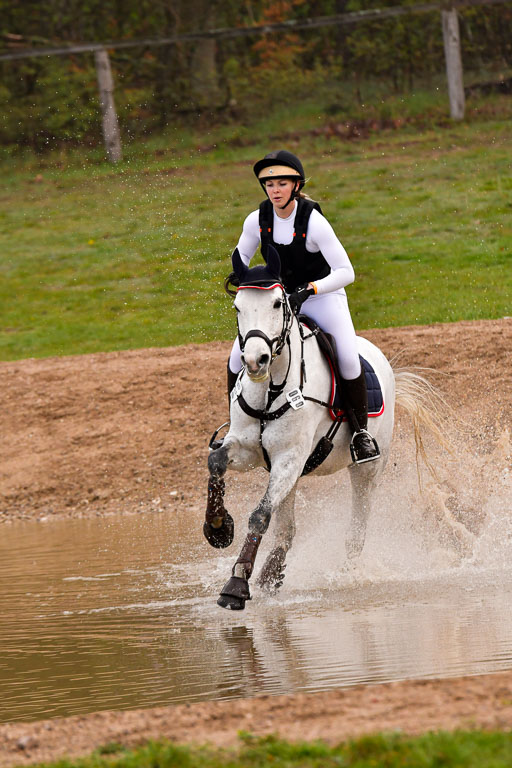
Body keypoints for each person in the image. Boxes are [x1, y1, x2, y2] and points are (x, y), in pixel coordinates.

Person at [225, 149, 380, 464]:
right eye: (269, 185)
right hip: (278, 302)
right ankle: (235, 426)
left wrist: (310, 289)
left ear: (296, 186)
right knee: (235, 359)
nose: (275, 191)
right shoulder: (256, 221)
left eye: (282, 184)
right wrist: (245, 282)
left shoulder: (314, 222)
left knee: (348, 359)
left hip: (323, 298)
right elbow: (240, 260)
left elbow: (346, 272)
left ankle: (361, 434)